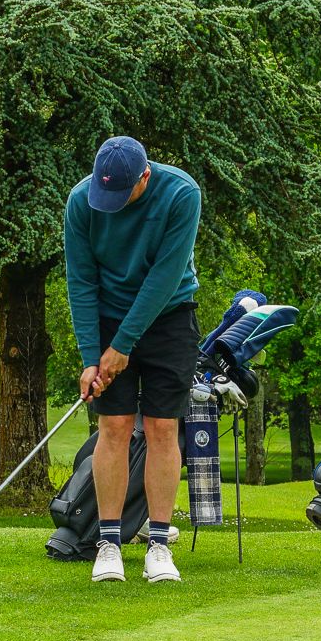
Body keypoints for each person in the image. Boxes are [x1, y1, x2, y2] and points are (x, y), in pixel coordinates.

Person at [64, 135, 202, 585]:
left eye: (123, 195)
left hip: (169, 316)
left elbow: (164, 277)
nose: (114, 205)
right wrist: (92, 357)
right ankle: (108, 543)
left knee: (163, 426)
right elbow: (81, 280)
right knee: (114, 426)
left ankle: (158, 545)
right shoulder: (81, 202)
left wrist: (122, 346)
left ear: (145, 175)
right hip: (107, 317)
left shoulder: (182, 194)